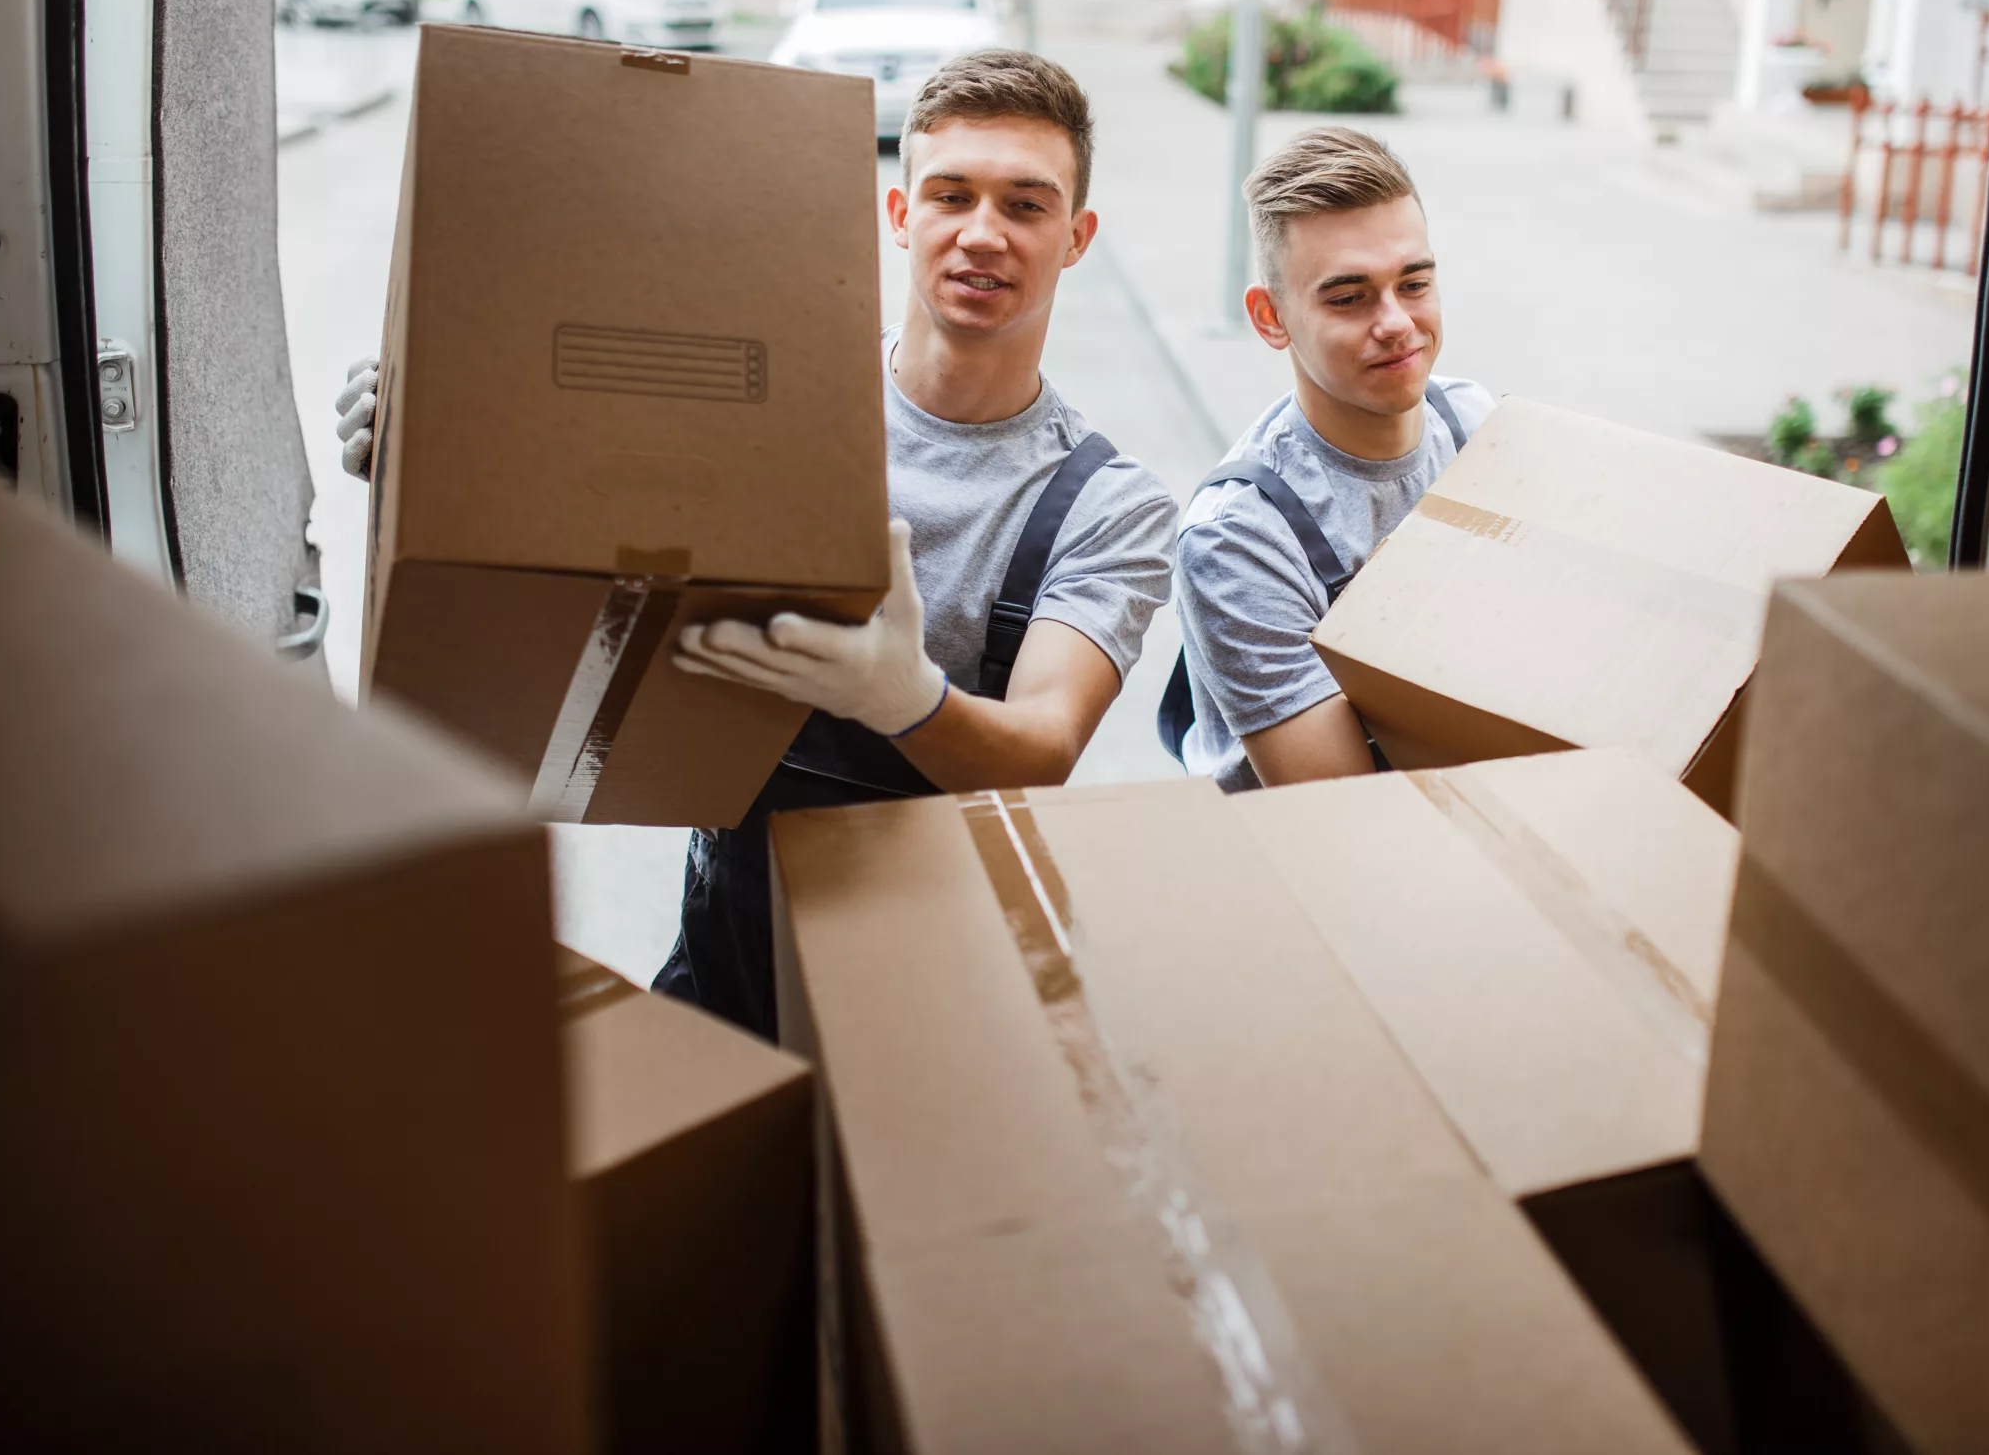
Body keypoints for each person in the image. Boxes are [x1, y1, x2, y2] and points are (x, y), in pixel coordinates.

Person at [337, 51, 1176, 1040]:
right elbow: (589, 512)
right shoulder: (770, 402)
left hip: (936, 1008)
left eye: (1026, 206)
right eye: (952, 195)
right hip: (723, 967)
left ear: (1075, 238)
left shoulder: (1106, 503)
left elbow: (1043, 746)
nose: (982, 233)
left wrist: (904, 699)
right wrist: (439, 458)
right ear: (902, 215)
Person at [1163, 127, 1492, 792]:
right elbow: (1344, 806)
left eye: (1415, 282)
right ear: (1270, 316)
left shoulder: (1478, 429)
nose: (1396, 320)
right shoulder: (1239, 535)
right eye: (1349, 297)